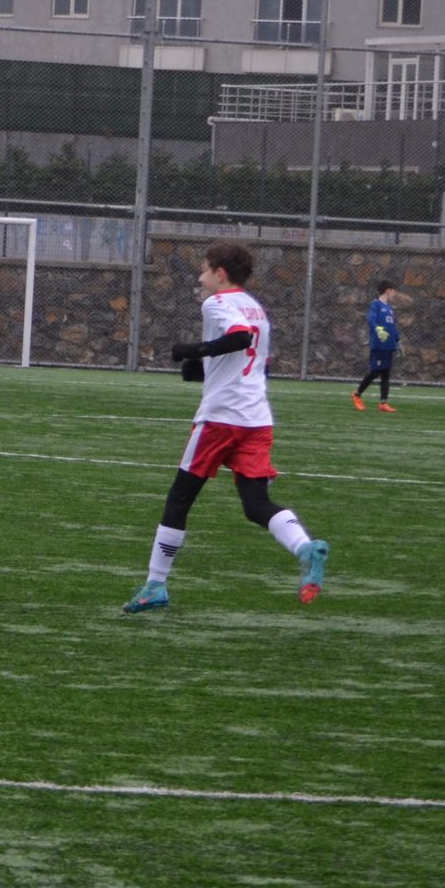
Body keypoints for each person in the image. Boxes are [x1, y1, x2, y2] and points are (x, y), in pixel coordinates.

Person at [125, 240, 330, 613]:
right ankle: (304, 547)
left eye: (204, 269)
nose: (200, 277)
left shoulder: (217, 302)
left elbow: (239, 338)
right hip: (257, 418)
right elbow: (250, 360)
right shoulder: (256, 307)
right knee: (256, 504)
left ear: (220, 274)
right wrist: (200, 367)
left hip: (221, 418)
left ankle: (155, 585)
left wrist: (191, 350)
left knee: (179, 498)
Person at [353, 279, 401, 412]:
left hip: (389, 345)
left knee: (386, 373)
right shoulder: (376, 304)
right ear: (387, 291)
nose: (394, 294)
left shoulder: (389, 308)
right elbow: (371, 319)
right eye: (393, 291)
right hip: (379, 345)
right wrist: (378, 329)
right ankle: (357, 394)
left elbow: (392, 327)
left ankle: (383, 403)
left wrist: (398, 341)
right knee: (375, 372)